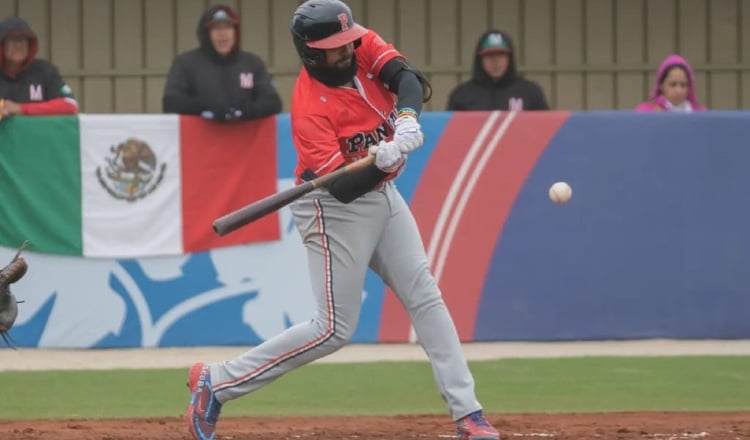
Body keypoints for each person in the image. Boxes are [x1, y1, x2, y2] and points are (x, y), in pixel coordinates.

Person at [184, 1, 500, 440]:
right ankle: (218, 381)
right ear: (312, 53)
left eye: (348, 42)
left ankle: (469, 414)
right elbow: (343, 187)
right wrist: (385, 162)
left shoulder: (358, 42)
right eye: (334, 48)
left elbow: (408, 79)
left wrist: (406, 120)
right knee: (333, 329)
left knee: (425, 295)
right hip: (333, 208)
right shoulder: (309, 107)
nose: (347, 51)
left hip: (382, 195)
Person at [162, 4, 282, 122]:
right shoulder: (185, 63)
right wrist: (207, 109)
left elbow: (273, 102)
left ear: (236, 32)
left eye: (228, 27)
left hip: (245, 139)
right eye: (216, 28)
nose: (222, 33)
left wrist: (245, 111)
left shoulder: (253, 63)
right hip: (200, 140)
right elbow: (171, 102)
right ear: (206, 33)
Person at [447, 30, 549, 111]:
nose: (495, 62)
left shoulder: (530, 92)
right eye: (489, 56)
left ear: (510, 58)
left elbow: (546, 129)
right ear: (480, 60)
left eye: (501, 56)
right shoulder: (462, 95)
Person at [0, 17, 78, 118]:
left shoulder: (44, 71)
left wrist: (21, 108)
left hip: (37, 133)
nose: (18, 45)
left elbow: (70, 104)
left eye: (23, 40)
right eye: (12, 40)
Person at [635, 54, 706, 112]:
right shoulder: (646, 111)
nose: (678, 90)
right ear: (661, 85)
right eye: (673, 84)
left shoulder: (701, 113)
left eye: (683, 85)